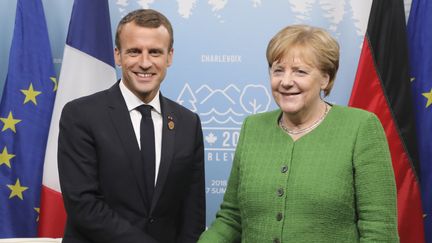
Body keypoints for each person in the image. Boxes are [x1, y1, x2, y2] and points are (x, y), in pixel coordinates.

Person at [198, 25, 399, 242]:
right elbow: (232, 218)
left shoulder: (361, 128)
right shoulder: (252, 128)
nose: (285, 81)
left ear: (325, 78)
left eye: (300, 71)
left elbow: (379, 231)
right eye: (278, 70)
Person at [58, 9, 205, 243]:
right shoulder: (80, 115)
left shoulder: (188, 123)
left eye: (155, 52)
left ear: (169, 56)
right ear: (118, 55)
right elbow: (83, 205)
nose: (144, 63)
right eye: (134, 51)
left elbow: (192, 213)